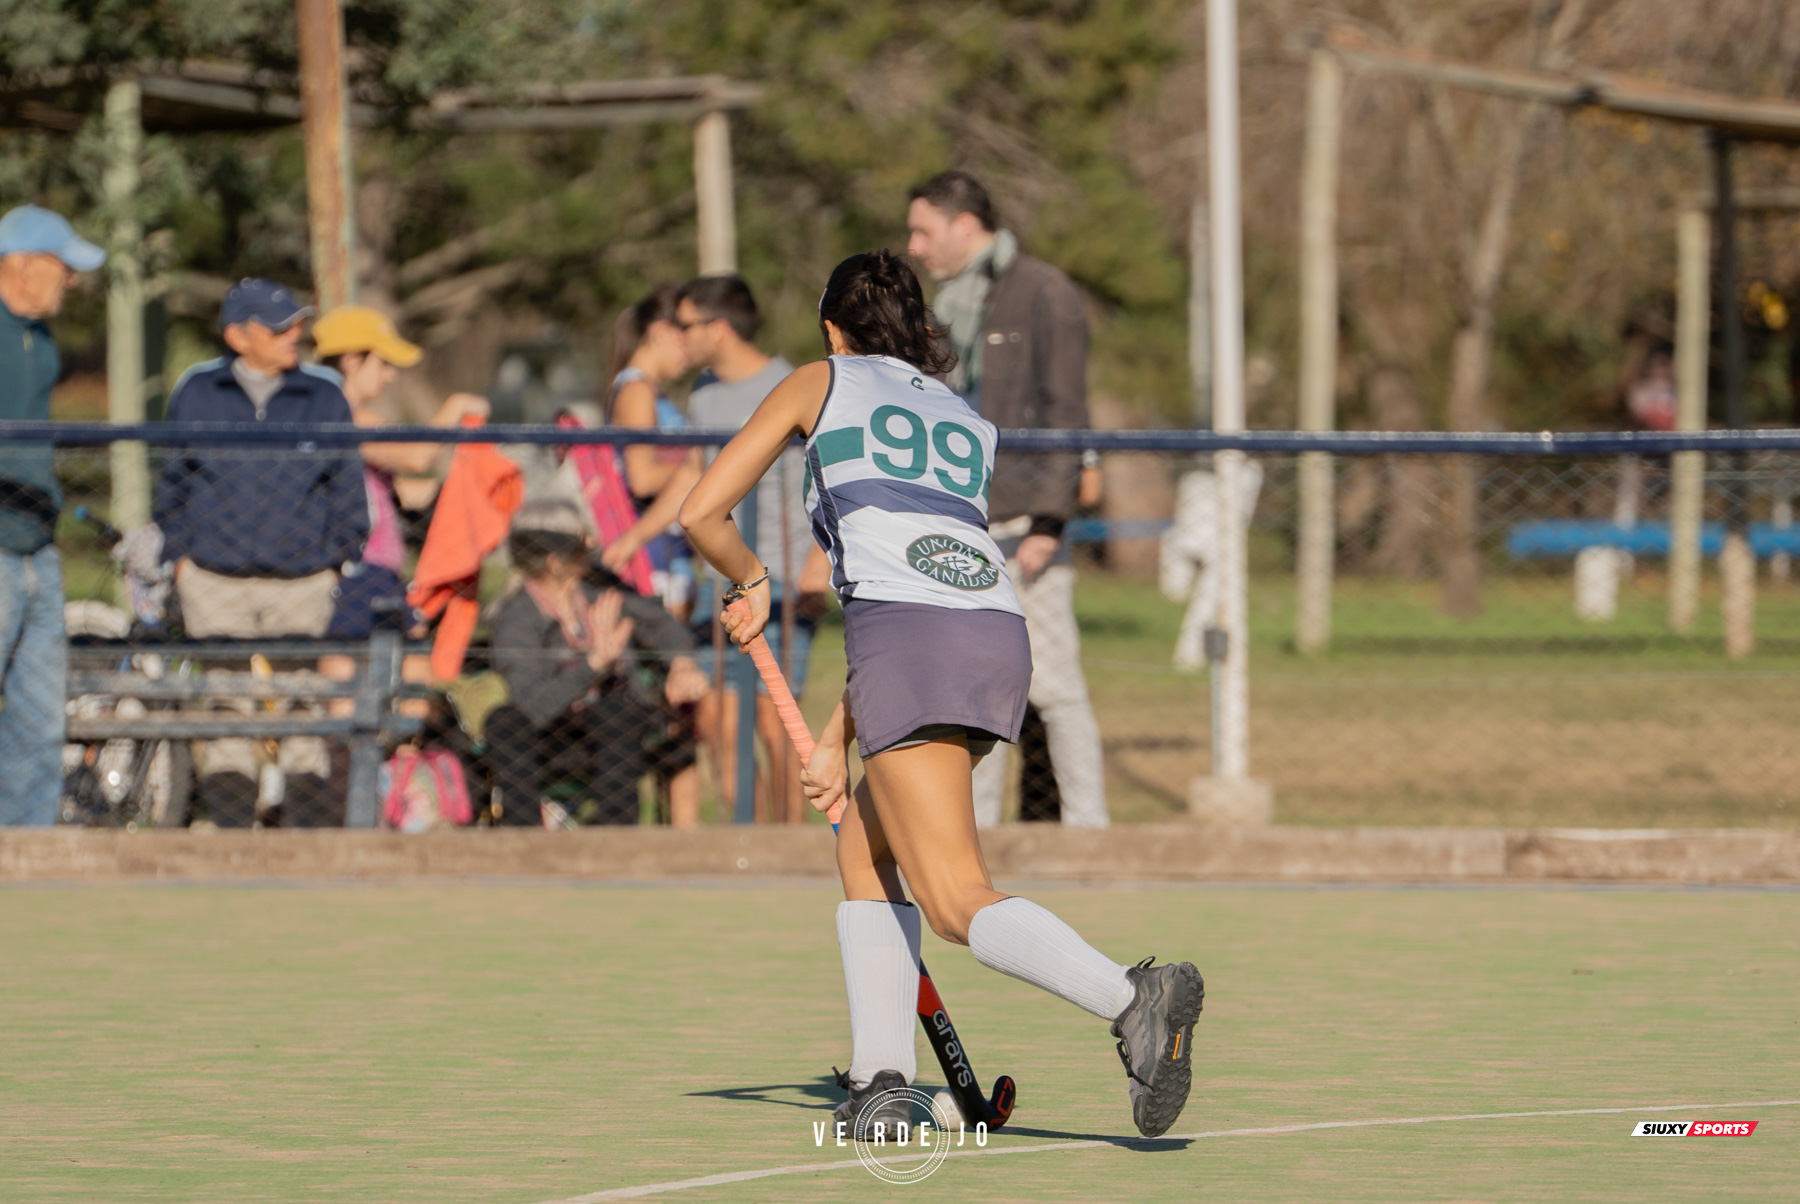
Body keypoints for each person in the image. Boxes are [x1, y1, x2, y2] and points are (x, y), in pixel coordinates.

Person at [678, 250, 1203, 1140]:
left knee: (956, 899)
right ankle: (884, 1083)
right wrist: (836, 739)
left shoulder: (821, 379)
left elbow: (701, 513)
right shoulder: (961, 414)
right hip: (990, 635)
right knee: (867, 858)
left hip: (910, 642)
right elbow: (914, 574)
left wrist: (751, 577)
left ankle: (1130, 997)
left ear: (833, 328)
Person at [905, 171, 1110, 829]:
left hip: (1024, 522)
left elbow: (1065, 409)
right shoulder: (947, 305)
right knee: (977, 688)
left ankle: (1090, 829)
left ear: (965, 226)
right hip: (961, 521)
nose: (915, 247)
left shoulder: (1042, 293)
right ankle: (977, 833)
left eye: (924, 231)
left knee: (1054, 686)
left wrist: (1051, 519)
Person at [155, 279, 369, 828]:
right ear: (237, 335)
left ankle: (304, 837)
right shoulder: (198, 392)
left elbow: (347, 485)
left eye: (295, 324)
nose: (292, 335)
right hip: (214, 579)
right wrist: (181, 557)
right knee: (227, 707)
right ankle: (230, 832)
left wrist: (338, 555)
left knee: (301, 705)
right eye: (277, 328)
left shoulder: (322, 394)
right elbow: (172, 482)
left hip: (302, 580)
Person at [678, 275, 833, 823]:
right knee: (717, 721)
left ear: (717, 329)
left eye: (686, 325)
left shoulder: (792, 381)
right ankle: (748, 840)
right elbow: (696, 484)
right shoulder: (702, 394)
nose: (679, 337)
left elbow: (828, 474)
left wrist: (822, 558)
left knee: (777, 721)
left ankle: (786, 843)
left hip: (784, 576)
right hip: (719, 580)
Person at [486, 501, 709, 826]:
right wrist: (594, 665)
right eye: (580, 545)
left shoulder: (597, 593)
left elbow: (660, 623)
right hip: (547, 735)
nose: (591, 548)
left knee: (620, 710)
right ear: (554, 561)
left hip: (607, 729)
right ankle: (524, 837)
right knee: (504, 722)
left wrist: (682, 664)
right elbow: (532, 706)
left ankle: (614, 835)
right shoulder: (515, 619)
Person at [0, 206, 105, 825]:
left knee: (40, 719)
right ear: (21, 266)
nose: (71, 281)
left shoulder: (40, 340)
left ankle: (26, 862)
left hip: (37, 545)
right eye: (63, 267)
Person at [310, 304, 490, 639]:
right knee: (395, 669)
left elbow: (394, 492)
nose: (390, 374)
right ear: (351, 361)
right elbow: (416, 456)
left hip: (377, 568)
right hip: (359, 569)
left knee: (408, 659)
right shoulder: (341, 416)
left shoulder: (344, 414)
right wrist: (456, 407)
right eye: (383, 363)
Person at [601, 284, 702, 619]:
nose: (690, 350)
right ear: (660, 331)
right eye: (684, 335)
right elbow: (641, 477)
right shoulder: (635, 390)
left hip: (672, 550)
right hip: (652, 558)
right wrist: (700, 470)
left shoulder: (653, 392)